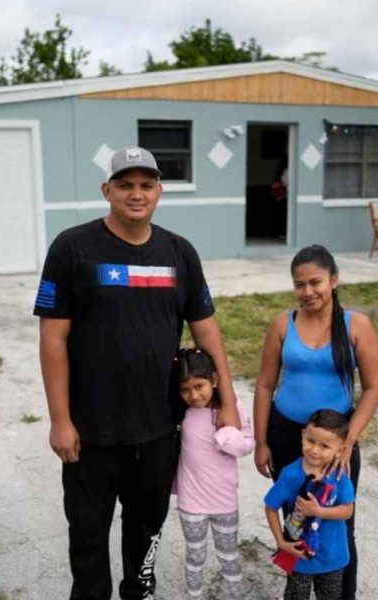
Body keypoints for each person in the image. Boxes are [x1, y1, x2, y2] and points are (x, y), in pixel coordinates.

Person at [34, 146, 240, 600]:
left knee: (145, 533)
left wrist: (228, 401)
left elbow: (207, 332)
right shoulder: (73, 248)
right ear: (106, 190)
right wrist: (60, 419)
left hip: (158, 429)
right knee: (88, 538)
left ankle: (138, 594)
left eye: (146, 185)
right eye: (125, 185)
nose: (136, 194)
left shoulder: (179, 253)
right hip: (91, 431)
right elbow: (53, 341)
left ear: (159, 192)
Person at [253, 245, 378, 600]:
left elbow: (373, 387)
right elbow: (264, 385)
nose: (307, 292)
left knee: (339, 523)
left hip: (336, 442)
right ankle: (296, 590)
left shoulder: (356, 325)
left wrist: (349, 440)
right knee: (295, 520)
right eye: (299, 284)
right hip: (286, 436)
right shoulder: (283, 324)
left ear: (334, 280)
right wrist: (261, 441)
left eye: (315, 282)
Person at [173, 347, 255, 600]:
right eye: (185, 390)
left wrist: (226, 435)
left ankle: (237, 595)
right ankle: (194, 595)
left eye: (199, 386)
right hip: (191, 502)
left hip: (224, 501)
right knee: (195, 555)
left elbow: (248, 443)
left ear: (214, 381)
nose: (194, 395)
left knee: (229, 555)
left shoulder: (230, 408)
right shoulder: (181, 413)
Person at [265, 409, 356, 600]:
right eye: (311, 441)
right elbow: (271, 507)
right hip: (299, 557)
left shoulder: (339, 475)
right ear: (303, 436)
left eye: (324, 446)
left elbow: (348, 510)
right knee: (296, 596)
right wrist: (281, 542)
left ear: (340, 450)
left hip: (333, 557)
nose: (314, 450)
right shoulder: (291, 474)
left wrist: (318, 511)